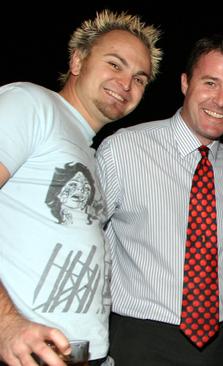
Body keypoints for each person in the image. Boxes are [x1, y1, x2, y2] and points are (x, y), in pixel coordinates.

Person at [0, 10, 161, 366]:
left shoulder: (87, 153)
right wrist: (4, 323)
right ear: (77, 60)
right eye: (115, 65)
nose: (126, 83)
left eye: (140, 78)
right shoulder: (30, 105)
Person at [96, 34, 223, 366]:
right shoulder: (124, 150)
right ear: (185, 83)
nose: (222, 100)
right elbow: (84, 245)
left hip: (218, 344)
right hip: (140, 341)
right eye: (210, 83)